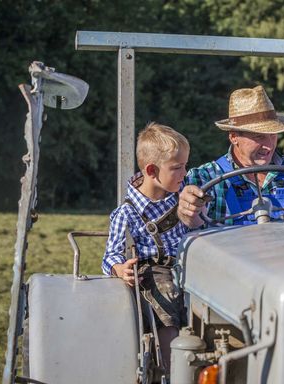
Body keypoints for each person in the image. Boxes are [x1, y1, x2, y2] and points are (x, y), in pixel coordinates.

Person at [102, 122, 190, 373]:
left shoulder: (182, 195)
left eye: (185, 165)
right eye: (177, 168)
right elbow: (111, 254)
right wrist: (120, 269)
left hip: (189, 266)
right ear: (152, 170)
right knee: (166, 292)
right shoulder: (126, 213)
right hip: (157, 274)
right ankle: (170, 368)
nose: (185, 173)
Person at [178, 85, 284, 227]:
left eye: (273, 135)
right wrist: (189, 211)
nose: (269, 145)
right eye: (259, 137)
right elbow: (192, 222)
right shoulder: (207, 177)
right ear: (234, 137)